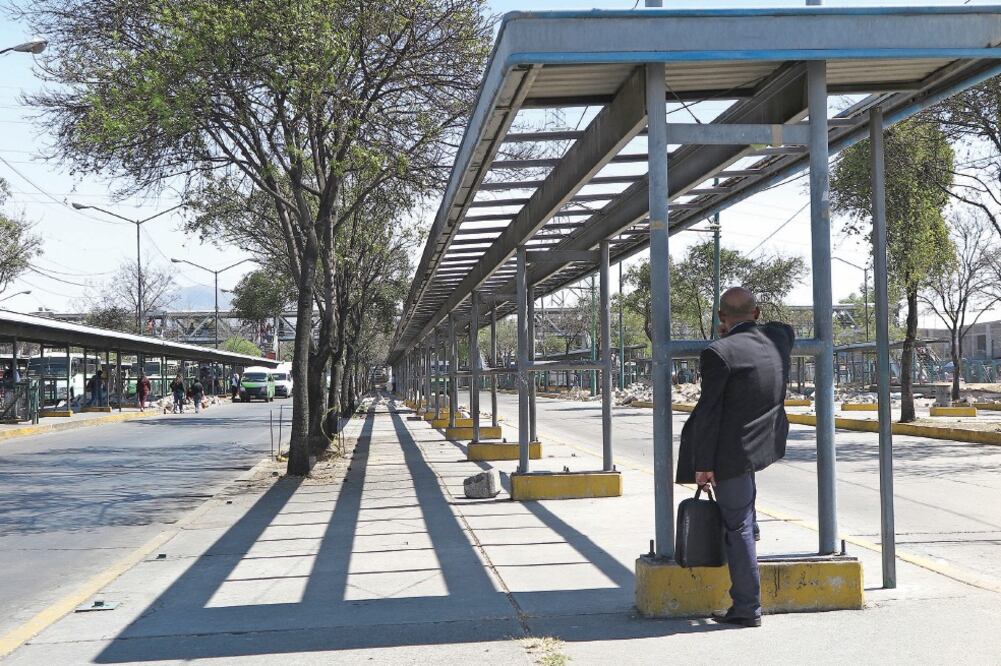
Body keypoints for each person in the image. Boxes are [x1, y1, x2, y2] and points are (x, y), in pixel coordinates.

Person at [676, 287, 794, 628]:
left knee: (737, 526)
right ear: (756, 314)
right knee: (744, 519)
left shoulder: (718, 352)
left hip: (729, 454)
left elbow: (710, 412)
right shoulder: (778, 340)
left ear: (720, 320)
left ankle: (747, 607)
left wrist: (703, 465)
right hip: (762, 445)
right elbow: (783, 326)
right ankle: (747, 580)